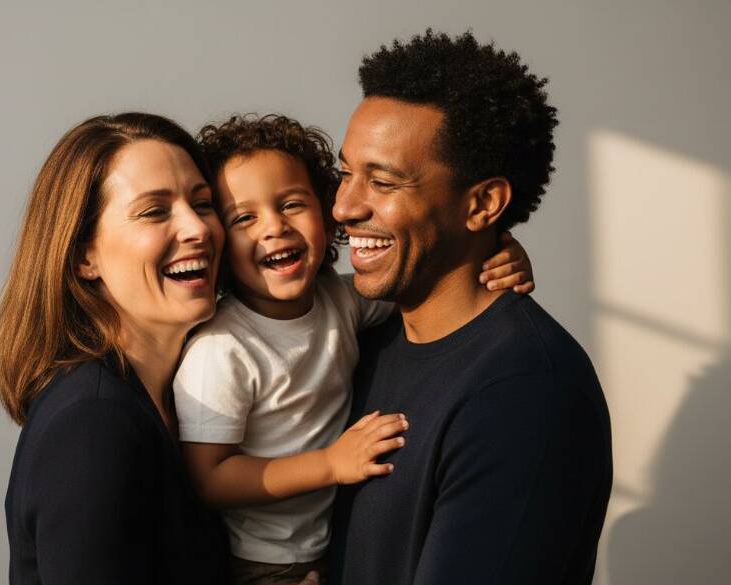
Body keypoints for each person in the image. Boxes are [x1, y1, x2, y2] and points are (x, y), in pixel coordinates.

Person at [172, 114, 536, 585]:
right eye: (244, 218)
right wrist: (329, 464)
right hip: (265, 563)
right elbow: (210, 478)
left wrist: (497, 255)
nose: (274, 228)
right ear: (218, 242)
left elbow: (427, 285)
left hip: (331, 544)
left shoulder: (340, 300)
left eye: (292, 204)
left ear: (327, 213)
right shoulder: (222, 349)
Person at [328, 31, 613, 585]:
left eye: (382, 181)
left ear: (482, 204)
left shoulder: (527, 389)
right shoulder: (362, 336)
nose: (344, 206)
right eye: (345, 173)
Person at [0, 113, 233, 584]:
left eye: (202, 204)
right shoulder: (94, 424)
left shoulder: (175, 404)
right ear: (84, 255)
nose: (198, 229)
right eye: (155, 211)